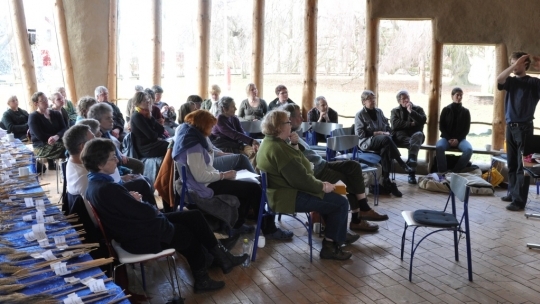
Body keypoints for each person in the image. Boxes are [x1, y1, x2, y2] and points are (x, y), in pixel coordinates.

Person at [82, 138, 248, 294]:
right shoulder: (107, 189)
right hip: (139, 238)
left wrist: (133, 200)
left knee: (193, 216)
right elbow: (144, 212)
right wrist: (139, 201)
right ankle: (202, 281)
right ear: (99, 164)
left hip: (136, 228)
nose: (117, 160)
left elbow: (129, 209)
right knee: (187, 234)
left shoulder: (96, 183)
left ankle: (223, 258)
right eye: (112, 158)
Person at [256, 110, 360, 260]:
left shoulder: (270, 142)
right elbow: (301, 179)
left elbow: (301, 167)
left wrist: (295, 145)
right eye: (288, 122)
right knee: (340, 203)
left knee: (332, 199)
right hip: (288, 196)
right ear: (278, 127)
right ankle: (330, 247)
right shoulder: (279, 149)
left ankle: (339, 236)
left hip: (280, 194)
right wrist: (323, 186)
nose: (291, 124)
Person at [173, 110, 292, 239]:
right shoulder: (193, 144)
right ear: (203, 125)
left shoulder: (192, 135)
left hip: (205, 180)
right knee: (254, 189)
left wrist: (223, 167)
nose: (212, 130)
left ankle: (236, 225)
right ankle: (269, 230)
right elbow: (200, 176)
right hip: (203, 185)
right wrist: (225, 175)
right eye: (211, 126)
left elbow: (207, 158)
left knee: (249, 186)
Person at [282, 103, 388, 232]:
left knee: (353, 165)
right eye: (299, 116)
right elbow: (298, 162)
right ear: (290, 119)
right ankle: (358, 218)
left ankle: (363, 209)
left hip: (322, 163)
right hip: (317, 171)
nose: (302, 119)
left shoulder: (293, 134)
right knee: (348, 180)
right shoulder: (287, 138)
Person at [64, 123, 154, 209]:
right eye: (93, 138)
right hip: (112, 201)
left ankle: (153, 212)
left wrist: (122, 178)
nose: (97, 138)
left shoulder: (75, 160)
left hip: (111, 189)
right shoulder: (84, 178)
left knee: (142, 181)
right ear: (83, 146)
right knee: (142, 184)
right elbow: (96, 218)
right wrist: (131, 201)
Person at [497, 52, 540, 211]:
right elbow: (499, 79)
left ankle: (519, 201)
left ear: (525, 64)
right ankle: (513, 193)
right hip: (511, 127)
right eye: (512, 63)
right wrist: (513, 66)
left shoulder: (534, 83)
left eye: (517, 63)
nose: (514, 66)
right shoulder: (510, 82)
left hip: (525, 129)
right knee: (512, 164)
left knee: (522, 166)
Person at [355, 90, 413, 197]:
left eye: (374, 98)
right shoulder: (360, 115)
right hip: (367, 141)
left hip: (382, 141)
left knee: (385, 149)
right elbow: (360, 133)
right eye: (369, 99)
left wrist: (389, 132)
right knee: (385, 140)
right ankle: (401, 162)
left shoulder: (379, 111)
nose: (373, 101)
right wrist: (377, 133)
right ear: (363, 102)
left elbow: (386, 125)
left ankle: (386, 180)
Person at [87, 103, 144, 175]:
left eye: (112, 117)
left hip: (118, 159)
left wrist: (121, 154)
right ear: (97, 121)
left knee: (139, 165)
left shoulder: (106, 131)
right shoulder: (98, 136)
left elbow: (113, 146)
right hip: (112, 164)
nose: (112, 120)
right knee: (138, 166)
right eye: (108, 118)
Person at [390, 90, 426, 184]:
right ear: (399, 101)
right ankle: (411, 174)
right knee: (413, 143)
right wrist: (410, 124)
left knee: (417, 136)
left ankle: (411, 165)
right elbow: (394, 124)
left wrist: (411, 112)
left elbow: (422, 120)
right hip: (401, 137)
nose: (406, 100)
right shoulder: (395, 111)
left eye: (407, 98)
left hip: (416, 135)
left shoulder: (418, 109)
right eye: (403, 99)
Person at [211, 97, 260, 167]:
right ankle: (252, 172)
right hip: (224, 147)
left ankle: (256, 173)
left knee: (255, 150)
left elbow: (242, 133)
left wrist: (251, 143)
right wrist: (251, 141)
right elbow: (234, 134)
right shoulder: (219, 120)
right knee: (251, 152)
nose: (236, 109)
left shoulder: (234, 118)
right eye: (233, 107)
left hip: (236, 146)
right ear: (224, 109)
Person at [436, 87, 472, 176]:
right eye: (457, 95)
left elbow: (466, 129)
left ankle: (456, 172)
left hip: (460, 140)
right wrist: (449, 139)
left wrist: (458, 140)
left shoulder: (466, 112)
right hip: (446, 138)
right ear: (452, 96)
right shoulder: (446, 110)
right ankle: (442, 172)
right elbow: (441, 126)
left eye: (461, 95)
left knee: (468, 149)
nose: (459, 97)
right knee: (439, 147)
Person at [28, 92, 67, 170]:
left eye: (46, 99)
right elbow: (40, 136)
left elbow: (64, 128)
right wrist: (54, 137)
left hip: (57, 141)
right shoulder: (33, 117)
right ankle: (67, 173)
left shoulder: (56, 113)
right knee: (68, 149)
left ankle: (68, 171)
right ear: (36, 104)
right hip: (41, 146)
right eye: (42, 100)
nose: (46, 101)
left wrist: (57, 136)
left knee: (74, 145)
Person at [129, 91, 169, 158]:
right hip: (145, 148)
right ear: (138, 103)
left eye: (147, 99)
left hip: (152, 144)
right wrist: (157, 136)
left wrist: (151, 118)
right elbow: (151, 136)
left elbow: (161, 129)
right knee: (170, 146)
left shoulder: (147, 114)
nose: (148, 102)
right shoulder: (137, 116)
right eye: (144, 100)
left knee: (172, 144)